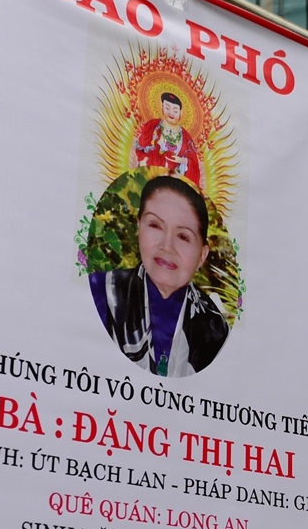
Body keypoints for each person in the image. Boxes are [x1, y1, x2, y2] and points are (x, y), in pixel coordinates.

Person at [89, 174, 227, 376]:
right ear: (139, 229)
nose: (167, 246)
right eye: (155, 225)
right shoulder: (101, 293)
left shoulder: (216, 331)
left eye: (183, 236)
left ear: (202, 256)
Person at [131, 91, 204, 188]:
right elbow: (140, 148)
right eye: (167, 108)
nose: (171, 113)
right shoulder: (152, 126)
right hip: (150, 176)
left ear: (181, 113)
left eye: (175, 110)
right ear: (161, 107)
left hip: (174, 182)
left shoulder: (186, 137)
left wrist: (182, 160)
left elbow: (193, 162)